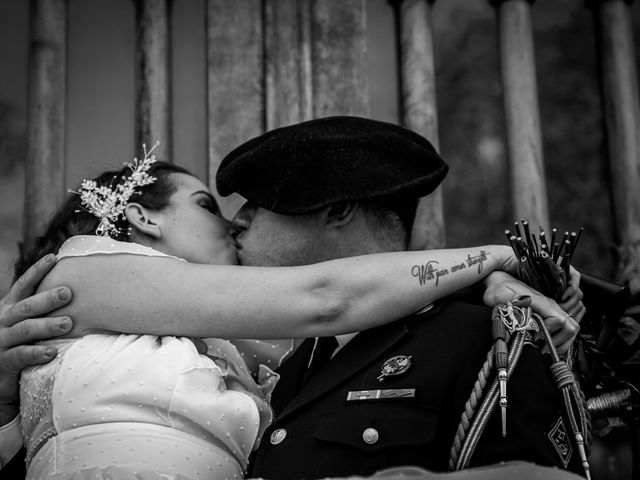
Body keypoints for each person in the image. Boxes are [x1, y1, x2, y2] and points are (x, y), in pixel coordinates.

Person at [0, 117, 584, 478]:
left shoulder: (476, 334)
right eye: (213, 204)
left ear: (334, 211)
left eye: (257, 205)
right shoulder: (85, 273)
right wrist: (495, 259)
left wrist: (498, 284)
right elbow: (327, 297)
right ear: (138, 218)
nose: (236, 223)